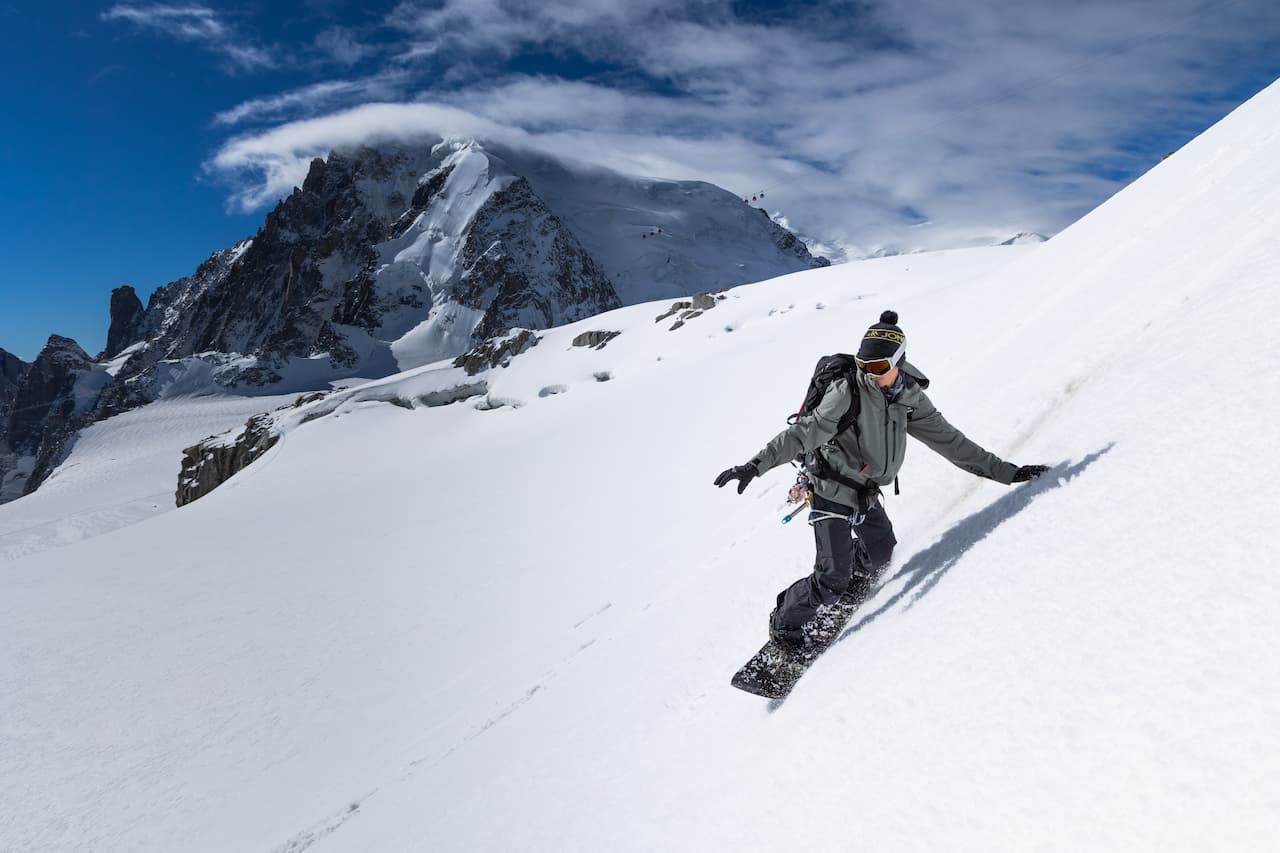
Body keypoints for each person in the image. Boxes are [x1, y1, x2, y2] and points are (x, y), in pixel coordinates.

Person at [714, 310, 1049, 649]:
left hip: (865, 491)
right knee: (831, 580)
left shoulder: (909, 398)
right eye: (863, 365)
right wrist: (754, 466)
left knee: (881, 553)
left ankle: (848, 574)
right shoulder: (847, 392)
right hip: (831, 488)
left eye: (878, 368)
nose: (869, 374)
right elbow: (802, 433)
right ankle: (784, 623)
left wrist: (1007, 473)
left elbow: (950, 441)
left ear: (898, 364)